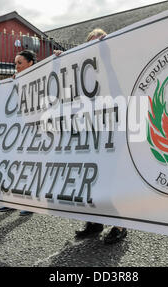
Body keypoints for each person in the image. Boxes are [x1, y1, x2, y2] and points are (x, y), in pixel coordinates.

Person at [59, 28, 128, 244]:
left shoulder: (117, 66)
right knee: (89, 179)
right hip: (87, 131)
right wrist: (57, 63)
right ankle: (95, 222)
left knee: (110, 180)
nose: (96, 45)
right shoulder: (80, 71)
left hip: (110, 131)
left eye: (101, 41)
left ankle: (120, 225)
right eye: (92, 42)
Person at [0, 50, 37, 216]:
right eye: (15, 63)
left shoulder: (38, 78)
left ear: (30, 63)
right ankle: (13, 200)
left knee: (30, 165)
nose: (16, 66)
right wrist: (1, 86)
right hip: (17, 129)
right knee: (14, 165)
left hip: (33, 128)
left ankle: (31, 202)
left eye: (20, 63)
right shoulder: (14, 80)